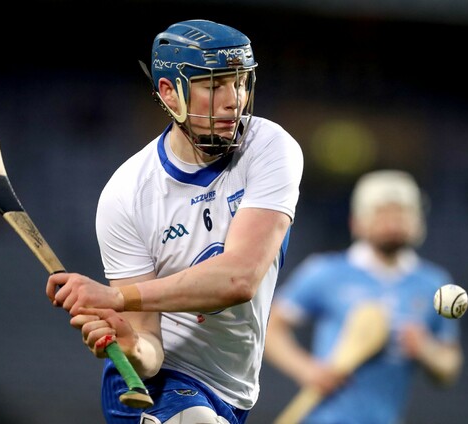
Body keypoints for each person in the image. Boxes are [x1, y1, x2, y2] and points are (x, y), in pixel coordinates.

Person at [45, 19, 304, 424]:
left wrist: (118, 300)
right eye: (214, 86)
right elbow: (148, 350)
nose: (234, 101)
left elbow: (240, 278)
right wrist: (131, 346)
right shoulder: (126, 196)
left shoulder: (271, 148)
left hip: (233, 391)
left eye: (240, 83)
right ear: (169, 92)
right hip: (153, 387)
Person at [264, 169, 463, 424]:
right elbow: (271, 326)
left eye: (402, 212)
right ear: (356, 222)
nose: (393, 222)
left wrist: (426, 349)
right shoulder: (326, 271)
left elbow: (449, 366)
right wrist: (307, 370)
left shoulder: (434, 285)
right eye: (382, 212)